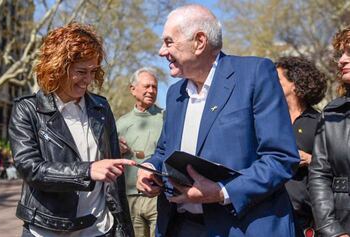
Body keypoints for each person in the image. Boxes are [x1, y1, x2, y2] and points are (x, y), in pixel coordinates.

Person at [135, 4, 300, 237]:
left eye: (169, 41)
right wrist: (151, 168)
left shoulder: (254, 74)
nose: (162, 51)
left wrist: (222, 191)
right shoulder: (174, 94)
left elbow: (281, 159)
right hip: (180, 226)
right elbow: (165, 150)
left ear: (199, 41)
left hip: (241, 227)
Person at [8, 22, 135, 237]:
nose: (88, 80)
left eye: (93, 71)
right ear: (57, 68)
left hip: (100, 228)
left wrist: (123, 228)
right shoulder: (27, 109)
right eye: (81, 71)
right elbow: (30, 168)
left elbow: (116, 180)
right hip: (47, 228)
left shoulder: (101, 107)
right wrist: (87, 170)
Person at [275, 57, 327, 237]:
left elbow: (337, 166)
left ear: (295, 85)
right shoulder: (269, 119)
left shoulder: (320, 122)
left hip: (303, 218)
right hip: (269, 212)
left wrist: (310, 159)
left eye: (278, 80)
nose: (271, 84)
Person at [308, 25, 350, 237]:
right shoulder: (333, 112)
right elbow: (319, 175)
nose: (341, 60)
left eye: (349, 52)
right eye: (341, 53)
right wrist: (332, 231)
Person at [116, 67, 164, 237]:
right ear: (133, 89)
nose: (151, 91)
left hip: (159, 197)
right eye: (147, 86)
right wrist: (116, 150)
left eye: (155, 87)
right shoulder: (120, 123)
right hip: (129, 198)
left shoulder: (166, 118)